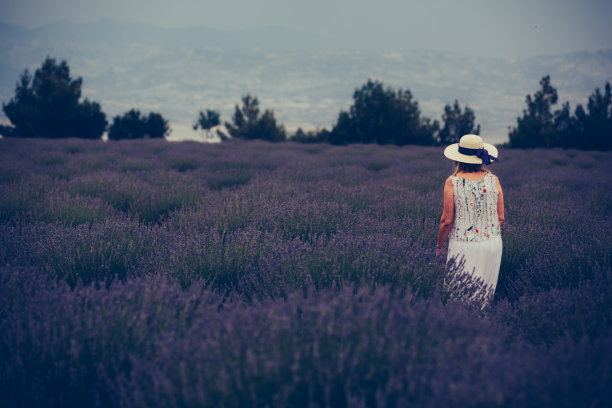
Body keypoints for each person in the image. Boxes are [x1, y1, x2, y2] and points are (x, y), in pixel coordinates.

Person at [436, 134, 504, 304]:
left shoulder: (453, 182)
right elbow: (500, 217)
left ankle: (460, 327)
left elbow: (447, 221)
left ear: (458, 159)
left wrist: (439, 246)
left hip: (464, 244)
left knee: (458, 295)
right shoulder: (493, 179)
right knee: (484, 296)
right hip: (492, 243)